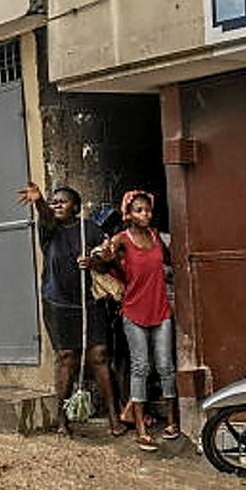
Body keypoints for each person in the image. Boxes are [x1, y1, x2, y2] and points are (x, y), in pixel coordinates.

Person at [17, 181, 123, 436]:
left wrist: (94, 260)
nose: (57, 205)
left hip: (90, 302)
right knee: (67, 359)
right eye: (54, 202)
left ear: (75, 207)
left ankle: (113, 417)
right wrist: (40, 201)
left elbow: (106, 260)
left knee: (99, 356)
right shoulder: (49, 229)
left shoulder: (90, 229)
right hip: (59, 304)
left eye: (62, 201)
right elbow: (45, 214)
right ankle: (62, 419)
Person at [93, 190, 180, 452]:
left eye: (148, 210)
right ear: (128, 214)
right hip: (133, 311)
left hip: (161, 309)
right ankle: (141, 428)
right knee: (140, 367)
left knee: (166, 366)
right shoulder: (121, 239)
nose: (146, 214)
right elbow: (101, 263)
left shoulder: (156, 237)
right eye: (139, 210)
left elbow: (170, 264)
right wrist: (102, 256)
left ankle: (173, 421)